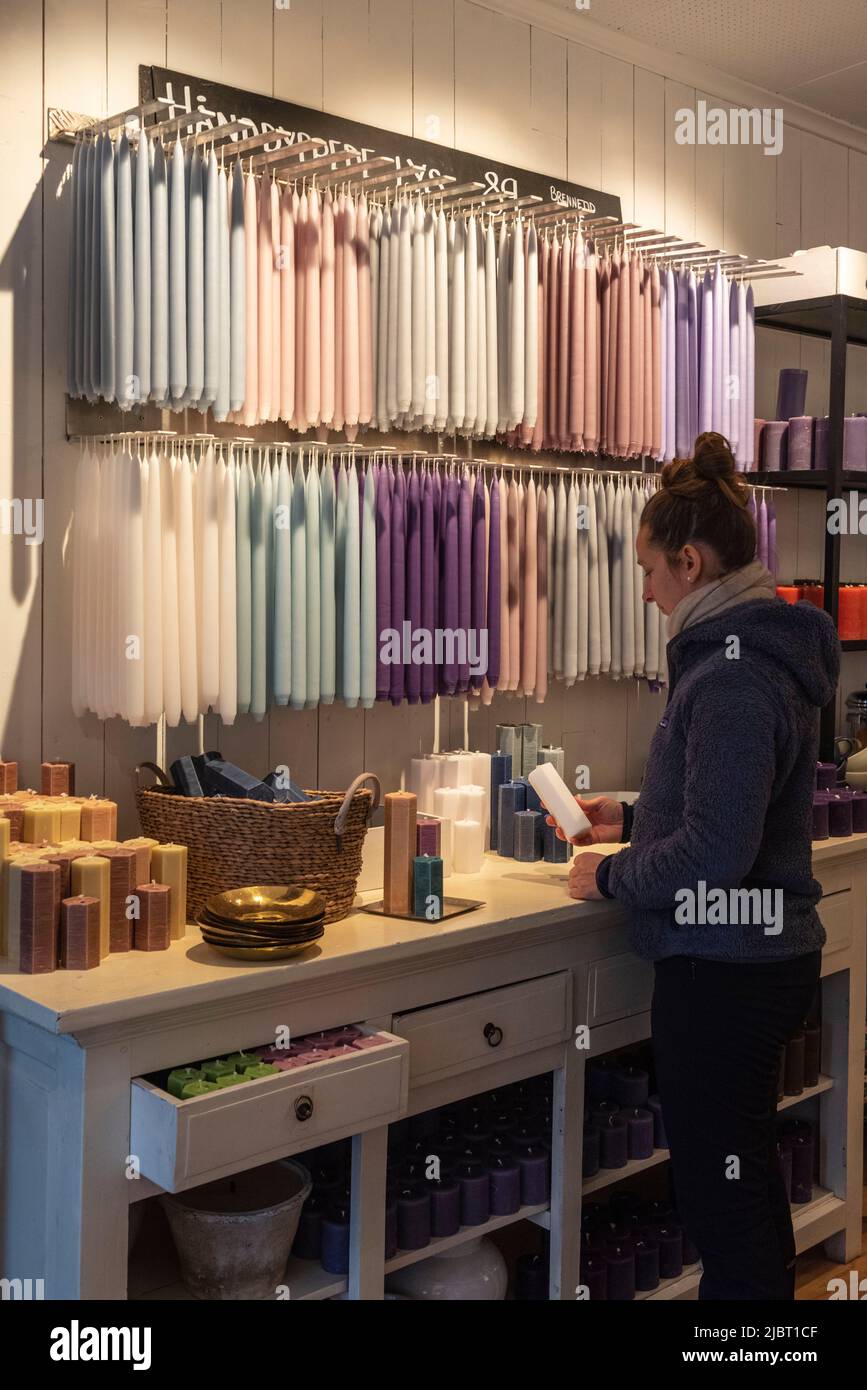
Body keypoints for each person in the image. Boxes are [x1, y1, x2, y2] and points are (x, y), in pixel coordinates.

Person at [560, 432, 840, 1300]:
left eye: (648, 571)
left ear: (688, 561)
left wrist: (609, 875)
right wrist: (637, 816)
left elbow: (717, 853)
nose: (643, 592)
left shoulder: (727, 674)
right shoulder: (756, 654)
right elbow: (736, 811)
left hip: (728, 971)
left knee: (725, 1205)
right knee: (741, 1187)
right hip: (757, 959)